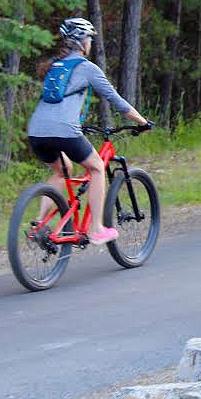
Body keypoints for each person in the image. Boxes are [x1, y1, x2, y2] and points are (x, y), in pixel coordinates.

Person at [27, 18, 151, 245]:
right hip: (63, 129)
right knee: (95, 168)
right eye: (89, 39)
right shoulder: (86, 68)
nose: (90, 43)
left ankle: (39, 224)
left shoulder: (55, 66)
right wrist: (143, 122)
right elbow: (117, 101)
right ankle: (96, 229)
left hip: (36, 131)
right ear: (83, 42)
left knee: (62, 170)